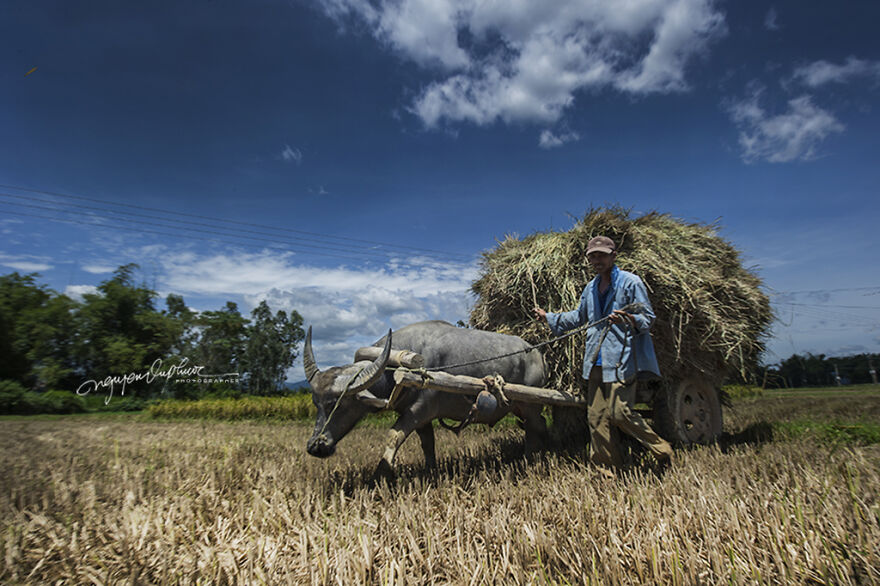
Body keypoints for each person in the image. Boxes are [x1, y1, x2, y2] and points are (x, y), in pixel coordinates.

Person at [533, 236, 673, 474]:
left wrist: (628, 319)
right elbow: (579, 318)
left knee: (620, 413)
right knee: (596, 418)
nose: (597, 259)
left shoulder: (631, 283)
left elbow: (647, 319)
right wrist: (549, 317)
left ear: (613, 256)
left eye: (602, 255)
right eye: (593, 256)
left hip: (621, 358)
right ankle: (606, 470)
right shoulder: (590, 288)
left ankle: (662, 449)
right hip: (595, 360)